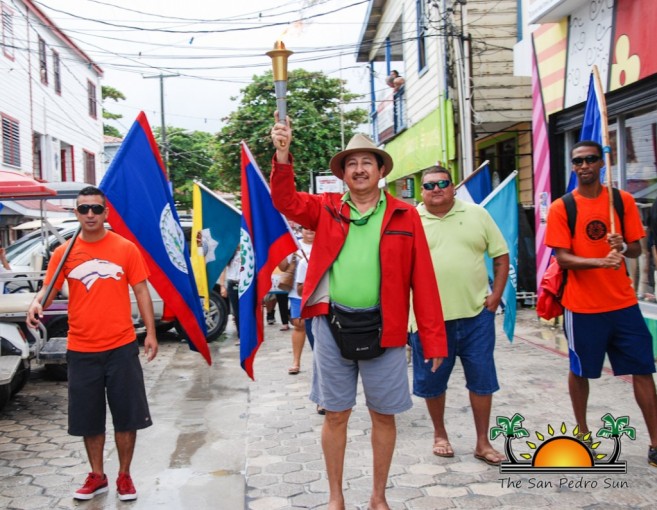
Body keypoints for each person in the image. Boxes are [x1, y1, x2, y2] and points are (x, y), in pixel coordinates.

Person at [270, 113, 447, 510]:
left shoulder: (405, 215)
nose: (359, 168)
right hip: (331, 326)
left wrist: (434, 340)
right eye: (351, 163)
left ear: (381, 170)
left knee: (384, 415)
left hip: (386, 330)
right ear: (343, 174)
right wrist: (283, 155)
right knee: (336, 414)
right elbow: (284, 200)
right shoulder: (326, 208)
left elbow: (425, 281)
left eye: (367, 161)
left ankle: (378, 497)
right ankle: (336, 497)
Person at [26, 186, 158, 501]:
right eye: (84, 208)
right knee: (89, 417)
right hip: (82, 348)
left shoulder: (125, 248)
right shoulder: (64, 253)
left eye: (96, 209)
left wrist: (151, 333)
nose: (90, 214)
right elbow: (49, 287)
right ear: (76, 212)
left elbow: (141, 291)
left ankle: (124, 476)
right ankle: (97, 475)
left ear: (105, 213)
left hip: (121, 346)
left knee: (127, 415)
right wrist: (35, 302)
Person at [545, 140, 657, 466]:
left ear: (602, 163)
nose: (584, 166)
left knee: (642, 370)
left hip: (623, 304)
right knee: (580, 371)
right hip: (581, 307)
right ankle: (583, 435)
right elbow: (562, 258)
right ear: (573, 166)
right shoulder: (562, 207)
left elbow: (637, 249)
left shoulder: (621, 202)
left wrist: (621, 246)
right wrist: (598, 262)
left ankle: (654, 442)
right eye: (578, 161)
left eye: (591, 159)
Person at [410, 166, 509, 465]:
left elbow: (501, 256)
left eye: (442, 183)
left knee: (482, 380)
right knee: (432, 381)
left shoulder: (477, 214)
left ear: (453, 186)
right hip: (428, 321)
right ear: (421, 191)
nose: (436, 189)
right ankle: (440, 434)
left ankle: (482, 442)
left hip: (475, 316)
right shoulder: (410, 219)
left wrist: (495, 297)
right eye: (429, 185)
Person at [280, 226, 314, 375]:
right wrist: (279, 251)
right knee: (299, 325)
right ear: (301, 230)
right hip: (297, 294)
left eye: (312, 228)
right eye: (306, 228)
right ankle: (296, 362)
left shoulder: (324, 243)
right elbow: (283, 267)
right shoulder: (294, 246)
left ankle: (321, 360)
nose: (309, 230)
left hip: (321, 293)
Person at [220, 246, 241, 344]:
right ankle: (240, 336)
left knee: (247, 311)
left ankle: (249, 334)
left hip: (244, 284)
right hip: (232, 283)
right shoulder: (229, 252)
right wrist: (222, 286)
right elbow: (223, 269)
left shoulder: (248, 251)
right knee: (236, 312)